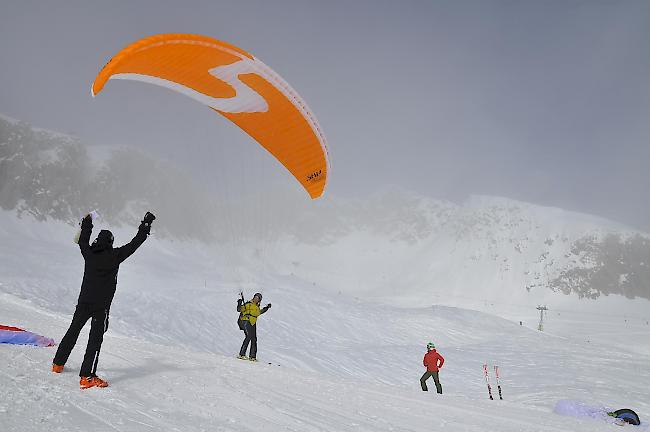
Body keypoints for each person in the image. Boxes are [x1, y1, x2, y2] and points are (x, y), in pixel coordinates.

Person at [52, 211, 156, 389]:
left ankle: (58, 364)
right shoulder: (115, 256)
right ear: (110, 243)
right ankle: (86, 376)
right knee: (95, 340)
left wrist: (87, 221)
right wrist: (145, 225)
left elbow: (83, 240)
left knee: (73, 331)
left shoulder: (89, 253)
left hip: (83, 302)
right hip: (101, 308)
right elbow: (135, 243)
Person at [237, 292, 271, 361]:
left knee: (254, 339)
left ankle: (252, 356)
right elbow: (239, 309)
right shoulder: (248, 304)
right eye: (255, 297)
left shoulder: (257, 307)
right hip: (246, 320)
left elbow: (259, 312)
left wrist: (267, 308)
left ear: (259, 300)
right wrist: (239, 303)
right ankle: (241, 354)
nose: (256, 299)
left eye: (257, 298)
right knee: (248, 336)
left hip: (252, 323)